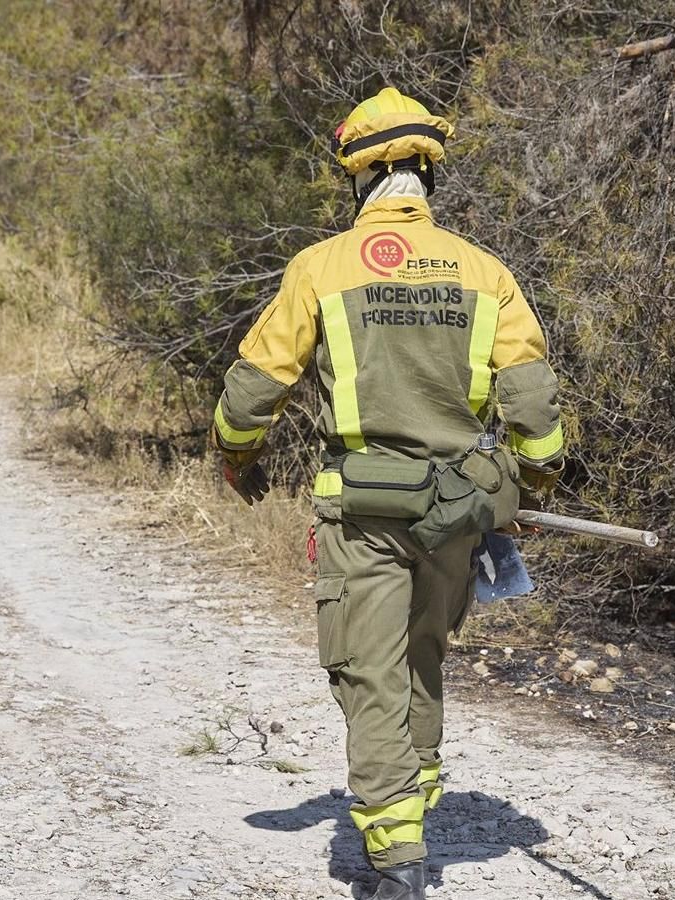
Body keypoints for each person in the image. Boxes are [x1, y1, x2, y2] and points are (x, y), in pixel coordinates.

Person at [210, 87, 564, 900]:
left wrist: (237, 455)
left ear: (358, 177)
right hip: (458, 508)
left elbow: (252, 390)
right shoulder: (484, 271)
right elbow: (534, 405)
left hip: (364, 512)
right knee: (422, 655)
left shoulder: (321, 268)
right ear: (426, 175)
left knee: (369, 670)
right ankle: (416, 792)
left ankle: (397, 855)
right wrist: (533, 487)